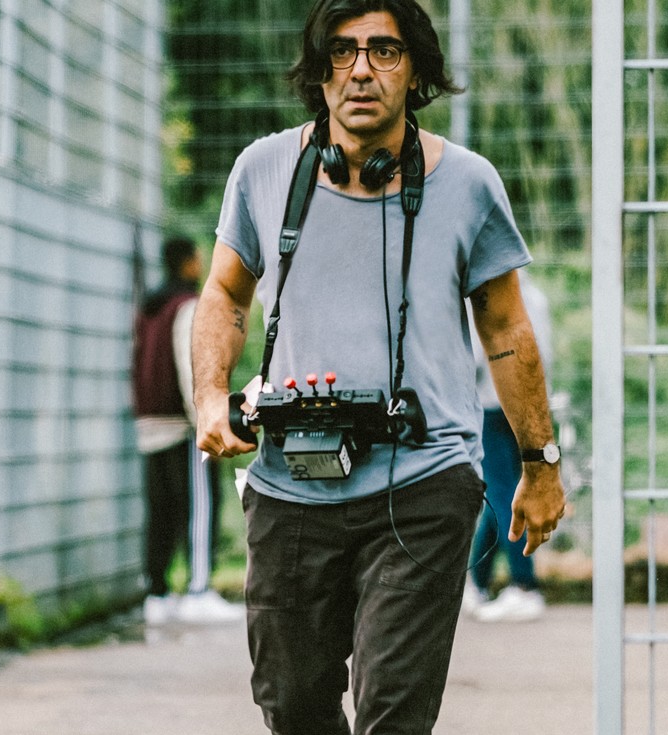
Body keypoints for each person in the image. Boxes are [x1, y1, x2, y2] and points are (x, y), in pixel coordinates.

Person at [190, 1, 565, 732]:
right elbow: (225, 294)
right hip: (289, 484)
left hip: (423, 481)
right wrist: (209, 396)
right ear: (318, 70)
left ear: (416, 69)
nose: (361, 69)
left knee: (393, 713)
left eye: (385, 51)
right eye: (342, 51)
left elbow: (505, 327)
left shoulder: (468, 183)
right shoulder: (263, 169)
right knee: (293, 706)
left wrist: (540, 462)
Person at [132, 236, 242, 625]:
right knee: (200, 506)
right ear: (188, 264)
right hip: (181, 426)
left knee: (160, 512)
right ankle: (198, 589)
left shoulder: (149, 308)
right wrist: (204, 420)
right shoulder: (187, 306)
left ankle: (157, 595)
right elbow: (188, 362)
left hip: (149, 426)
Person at [465, 271, 555, 623]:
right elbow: (542, 354)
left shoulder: (485, 295)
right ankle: (477, 583)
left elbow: (472, 358)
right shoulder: (535, 296)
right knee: (503, 494)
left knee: (502, 494)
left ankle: (524, 583)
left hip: (490, 403)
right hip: (526, 408)